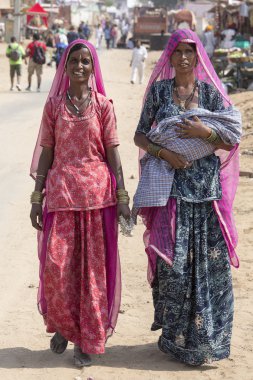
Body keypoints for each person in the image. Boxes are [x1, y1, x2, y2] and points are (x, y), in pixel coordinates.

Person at [133, 29, 242, 366]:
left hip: (206, 196)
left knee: (209, 270)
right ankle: (175, 337)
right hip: (171, 195)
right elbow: (140, 135)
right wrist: (164, 154)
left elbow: (230, 138)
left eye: (189, 51)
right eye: (177, 51)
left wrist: (203, 132)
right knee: (174, 269)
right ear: (169, 55)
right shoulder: (159, 91)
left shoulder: (211, 94)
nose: (183, 57)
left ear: (198, 57)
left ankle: (206, 341)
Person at [29, 39, 130, 367]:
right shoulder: (54, 106)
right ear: (65, 66)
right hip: (61, 196)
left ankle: (86, 339)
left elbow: (113, 150)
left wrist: (123, 195)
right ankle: (63, 326)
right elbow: (46, 150)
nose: (80, 66)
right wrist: (36, 196)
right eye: (74, 61)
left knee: (91, 274)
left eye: (86, 61)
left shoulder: (103, 105)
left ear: (93, 66)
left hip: (97, 198)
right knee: (58, 268)